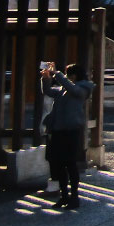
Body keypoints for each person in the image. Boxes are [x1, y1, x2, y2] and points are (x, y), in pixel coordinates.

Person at [40, 62, 94, 209]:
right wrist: (46, 78)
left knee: (70, 163)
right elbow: (48, 91)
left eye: (69, 74)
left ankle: (74, 196)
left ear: (75, 75)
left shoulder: (84, 88)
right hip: (58, 129)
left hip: (71, 130)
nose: (68, 77)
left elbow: (74, 89)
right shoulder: (65, 89)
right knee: (58, 163)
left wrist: (57, 73)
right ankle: (64, 196)